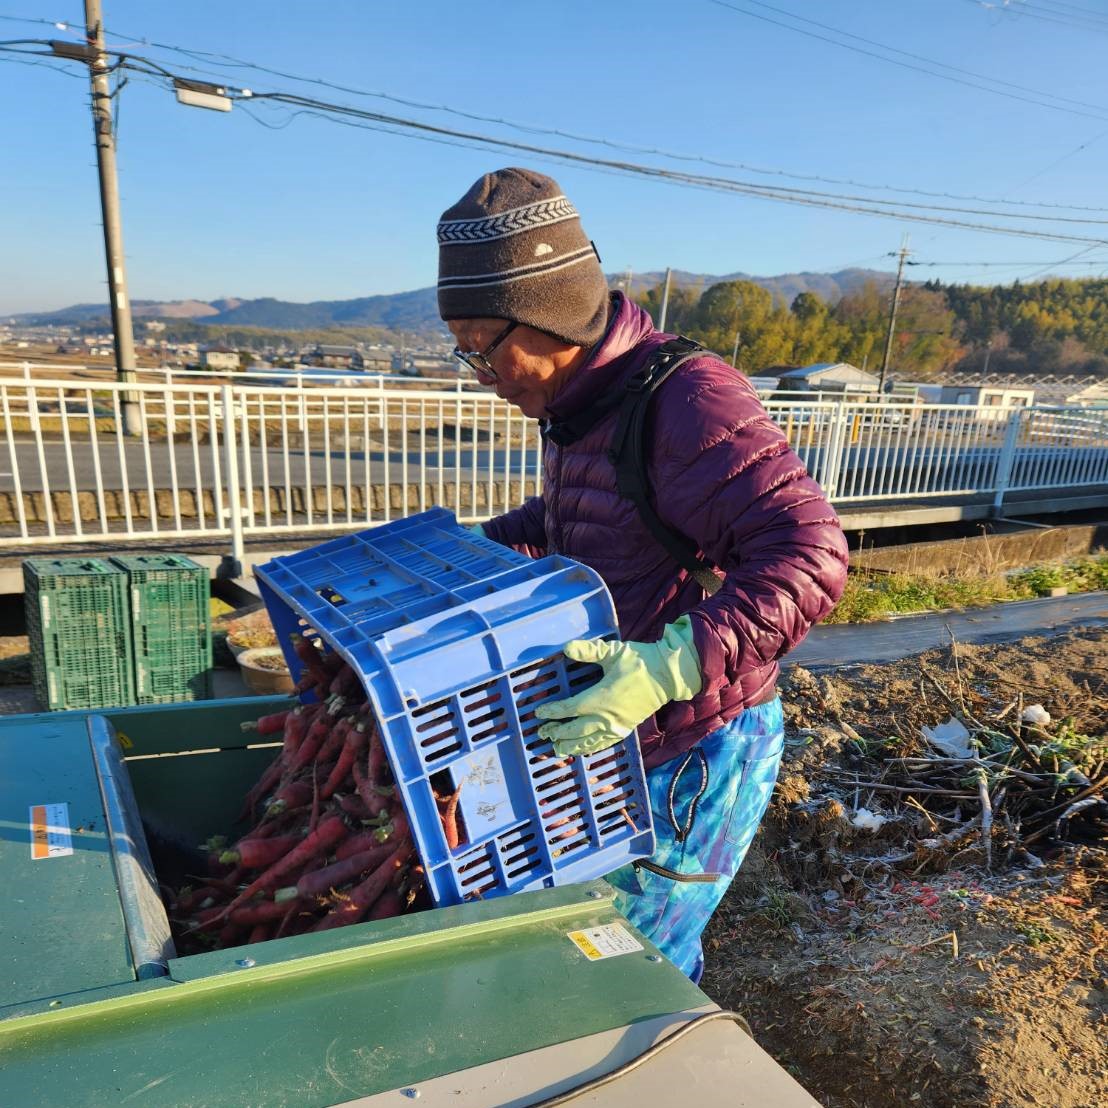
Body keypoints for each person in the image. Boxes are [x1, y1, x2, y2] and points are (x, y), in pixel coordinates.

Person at [438, 167, 848, 981]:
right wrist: (466, 556)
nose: (484, 378)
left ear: (544, 315)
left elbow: (809, 552)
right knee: (588, 947)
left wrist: (668, 666)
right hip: (620, 730)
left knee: (629, 966)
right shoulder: (580, 406)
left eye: (483, 352)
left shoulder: (686, 400)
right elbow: (582, 522)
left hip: (701, 743)